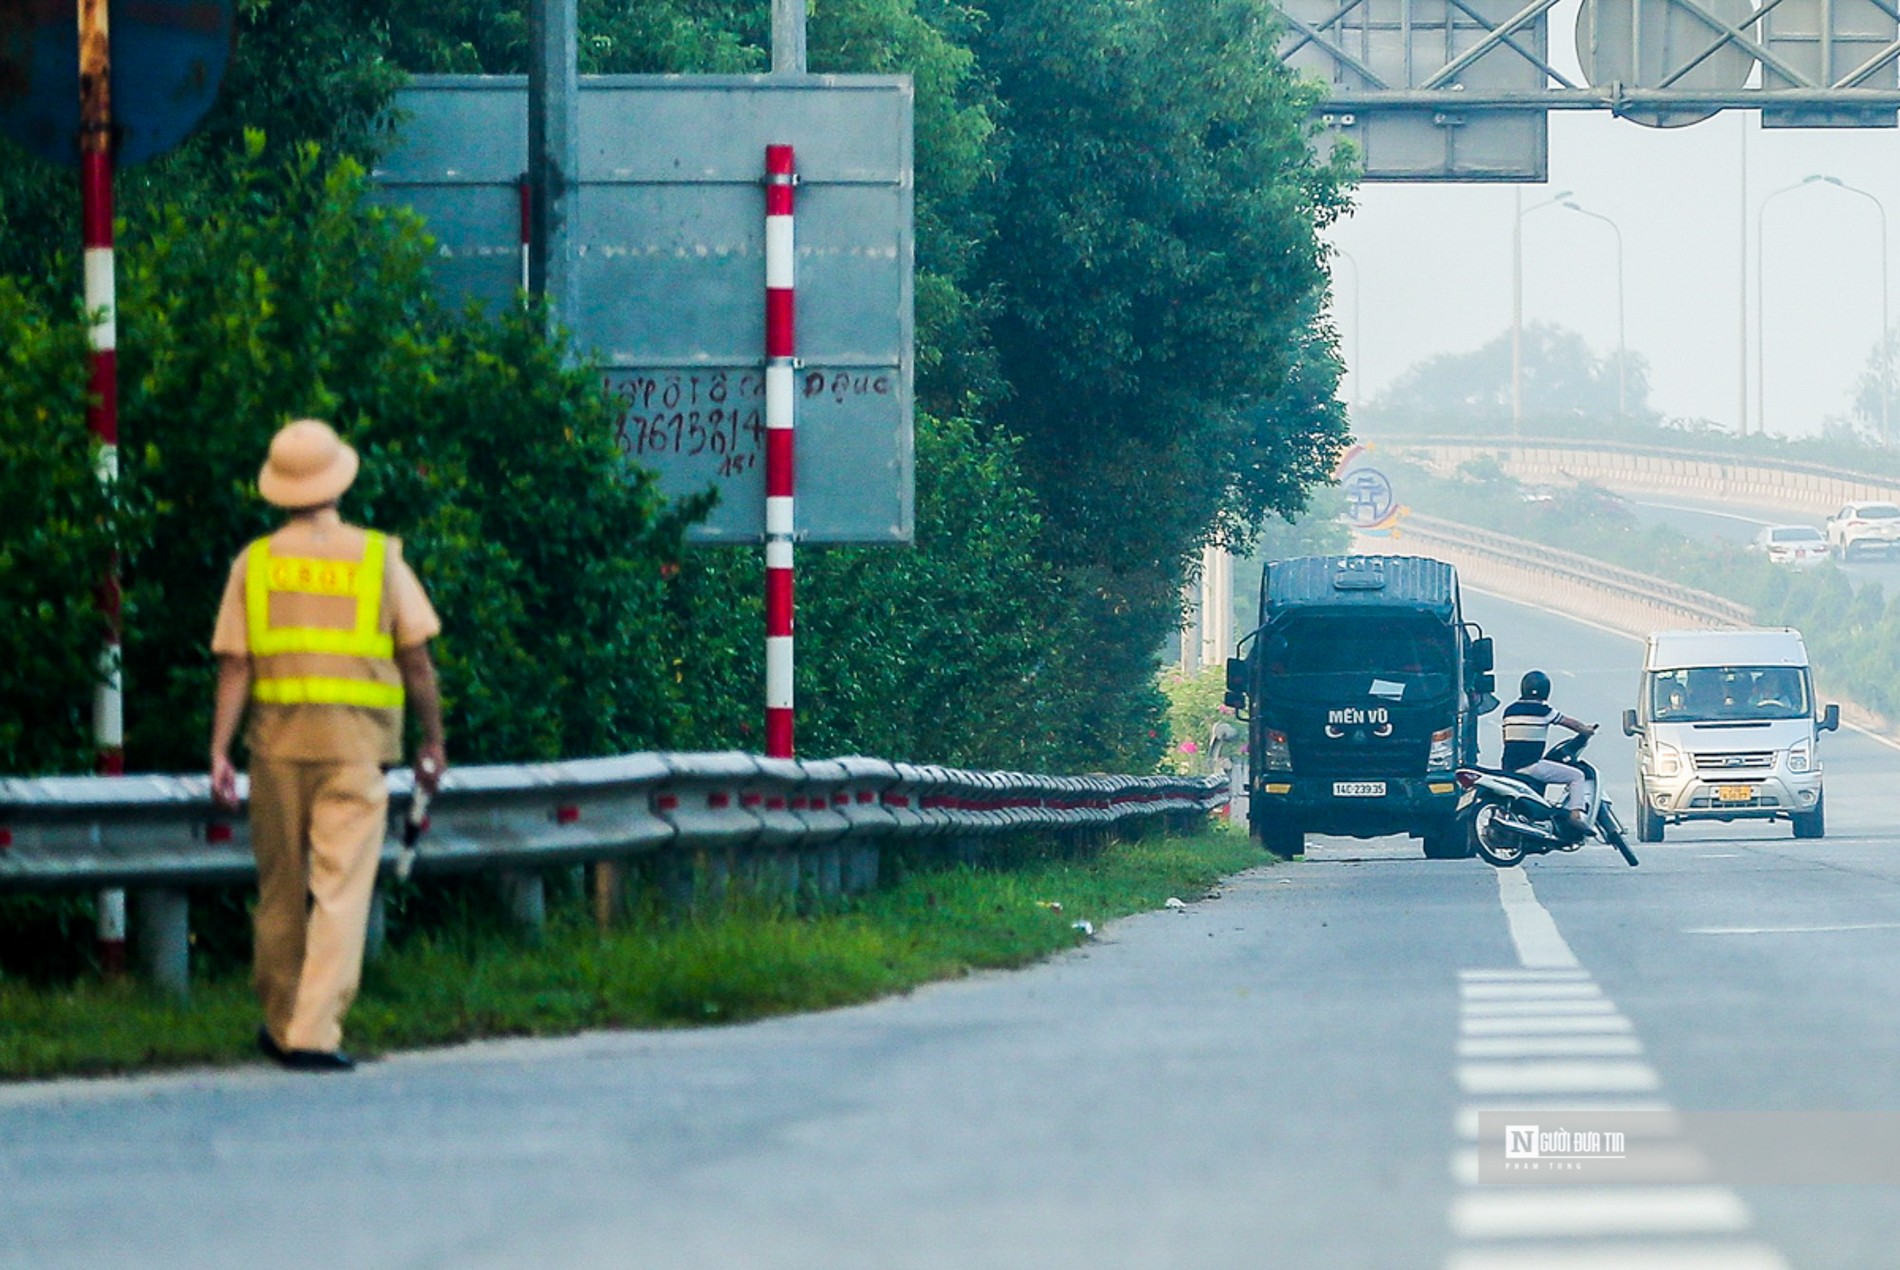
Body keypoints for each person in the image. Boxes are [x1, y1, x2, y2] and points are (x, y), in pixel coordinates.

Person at [209, 419, 447, 1072]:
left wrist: (219, 752)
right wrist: (433, 739)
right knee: (341, 892)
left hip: (277, 750)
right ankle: (311, 1034)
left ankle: (284, 1021)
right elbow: (417, 659)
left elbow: (235, 665)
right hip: (356, 749)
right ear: (339, 480)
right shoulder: (378, 559)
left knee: (281, 893)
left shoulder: (254, 565)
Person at [1500, 669, 1597, 838]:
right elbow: (1569, 723)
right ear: (1546, 691)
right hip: (1531, 765)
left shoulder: (1510, 710)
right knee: (1577, 776)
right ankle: (1575, 816)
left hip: (1509, 766)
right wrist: (1586, 729)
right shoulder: (1544, 710)